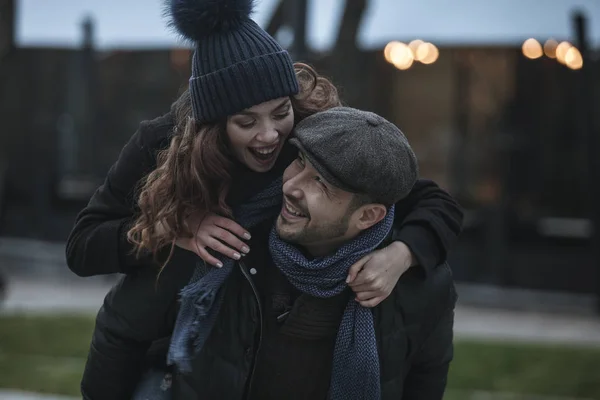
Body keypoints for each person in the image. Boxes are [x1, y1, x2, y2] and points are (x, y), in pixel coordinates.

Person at [65, 0, 462, 309]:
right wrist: (176, 229)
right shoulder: (161, 144)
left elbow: (431, 201)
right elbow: (83, 246)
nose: (270, 135)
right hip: (182, 338)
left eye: (280, 112)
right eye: (246, 121)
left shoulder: (316, 133)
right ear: (213, 125)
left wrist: (402, 254)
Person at [81, 107, 456, 400]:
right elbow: (120, 332)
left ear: (369, 216)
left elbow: (425, 377)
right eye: (299, 163)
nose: (291, 186)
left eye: (321, 185)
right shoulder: (218, 240)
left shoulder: (417, 281)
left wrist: (405, 254)